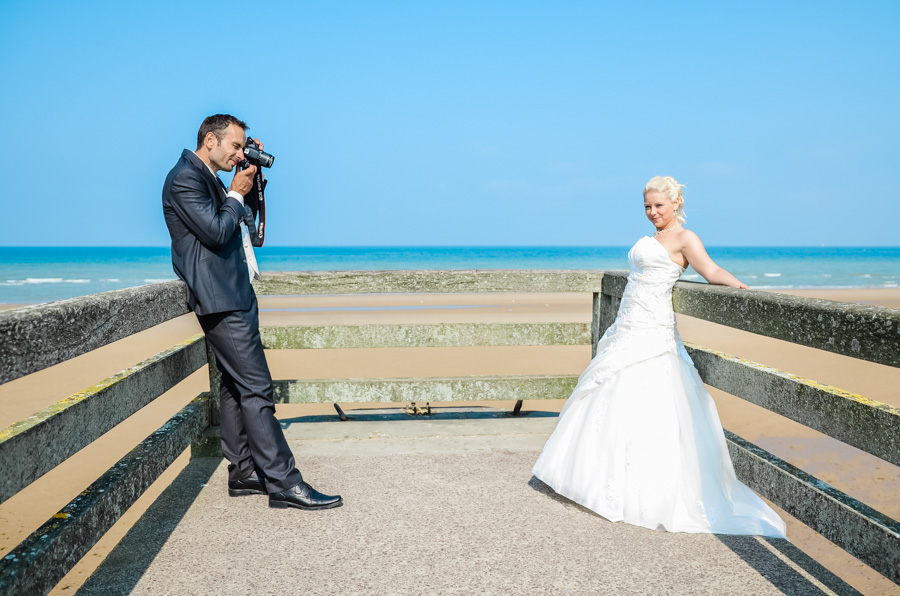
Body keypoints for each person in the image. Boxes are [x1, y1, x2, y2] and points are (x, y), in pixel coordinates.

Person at [532, 175, 785, 537]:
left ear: (676, 203)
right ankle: (595, 476)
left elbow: (710, 270)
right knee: (610, 392)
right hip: (628, 323)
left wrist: (739, 286)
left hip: (653, 329)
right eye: (648, 207)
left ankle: (642, 485)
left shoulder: (685, 238)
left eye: (659, 206)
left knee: (651, 397)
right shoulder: (653, 239)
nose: (652, 212)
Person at [162, 114, 341, 510]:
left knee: (233, 386)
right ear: (210, 140)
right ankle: (284, 482)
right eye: (235, 146)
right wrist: (236, 192)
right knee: (258, 388)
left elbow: (246, 228)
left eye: (243, 148)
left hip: (233, 294)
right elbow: (216, 231)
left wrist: (250, 184)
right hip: (220, 300)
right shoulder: (184, 179)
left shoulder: (208, 177)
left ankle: (243, 471)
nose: (239, 154)